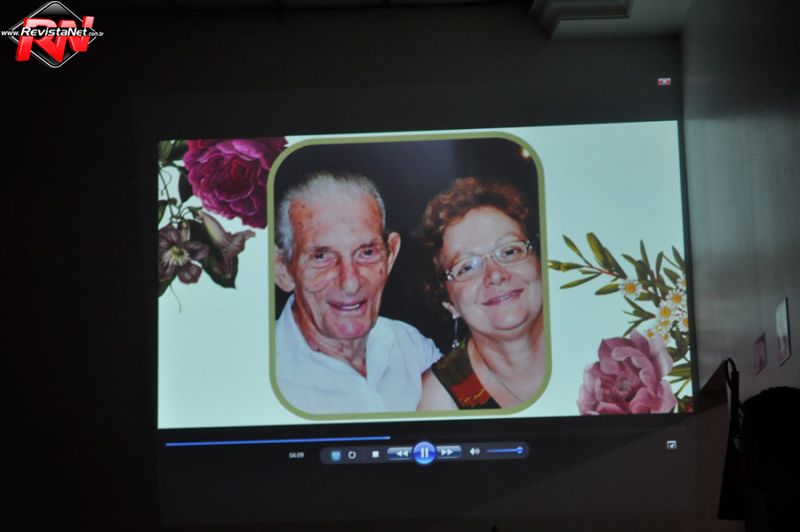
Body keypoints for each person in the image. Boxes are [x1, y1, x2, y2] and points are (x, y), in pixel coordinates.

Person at [274, 171, 441, 414]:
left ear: (390, 255)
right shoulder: (258, 374)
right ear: (282, 270)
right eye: (321, 256)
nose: (350, 283)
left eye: (367, 253)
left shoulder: (411, 347)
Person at [416, 177, 547, 410]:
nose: (495, 275)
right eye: (467, 267)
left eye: (509, 251)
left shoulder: (598, 344)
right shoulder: (437, 401)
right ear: (448, 302)